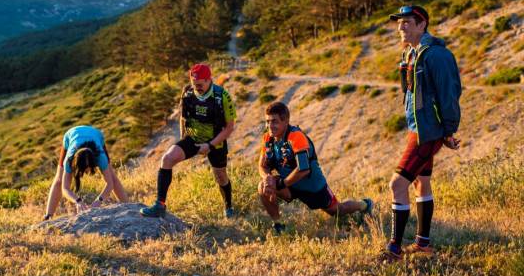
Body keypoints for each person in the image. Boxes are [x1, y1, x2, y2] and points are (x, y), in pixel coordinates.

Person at [383, 5, 461, 261]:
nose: (401, 27)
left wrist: (448, 131)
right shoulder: (410, 53)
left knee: (398, 184)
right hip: (418, 128)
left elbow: (449, 96)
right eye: (399, 23)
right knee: (421, 182)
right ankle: (423, 244)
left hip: (428, 132)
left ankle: (393, 249)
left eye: (407, 22)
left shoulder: (436, 55)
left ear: (422, 25)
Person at [258, 101, 372, 234]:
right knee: (262, 186)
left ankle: (364, 205)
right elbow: (262, 165)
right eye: (267, 121)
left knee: (337, 210)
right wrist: (268, 179)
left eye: (274, 121)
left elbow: (303, 169)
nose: (270, 126)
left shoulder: (296, 137)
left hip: (312, 186)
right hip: (290, 186)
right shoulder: (267, 138)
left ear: (286, 121)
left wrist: (282, 183)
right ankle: (279, 226)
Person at [141, 63, 237, 218]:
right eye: (194, 84)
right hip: (192, 137)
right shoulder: (187, 93)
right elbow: (183, 117)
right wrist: (183, 140)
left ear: (208, 80)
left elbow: (229, 127)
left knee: (221, 176)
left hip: (215, 141)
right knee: (167, 159)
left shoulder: (222, 96)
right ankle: (160, 205)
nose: (196, 87)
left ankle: (228, 207)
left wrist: (209, 145)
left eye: (200, 84)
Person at [43, 125, 128, 219]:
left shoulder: (100, 156)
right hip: (72, 134)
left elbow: (110, 184)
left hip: (95, 134)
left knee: (112, 176)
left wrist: (99, 200)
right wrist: (77, 201)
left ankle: (129, 207)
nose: (87, 171)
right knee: (59, 179)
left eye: (89, 167)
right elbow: (65, 188)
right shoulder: (69, 159)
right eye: (84, 168)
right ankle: (48, 216)